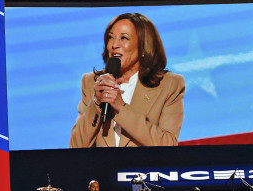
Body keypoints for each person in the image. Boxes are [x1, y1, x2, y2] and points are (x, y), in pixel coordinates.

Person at [69, 12, 185, 148]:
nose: (114, 45)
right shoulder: (91, 82)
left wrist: (121, 108)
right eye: (111, 37)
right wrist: (96, 103)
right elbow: (76, 147)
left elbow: (167, 145)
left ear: (143, 46)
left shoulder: (169, 84)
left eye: (124, 38)